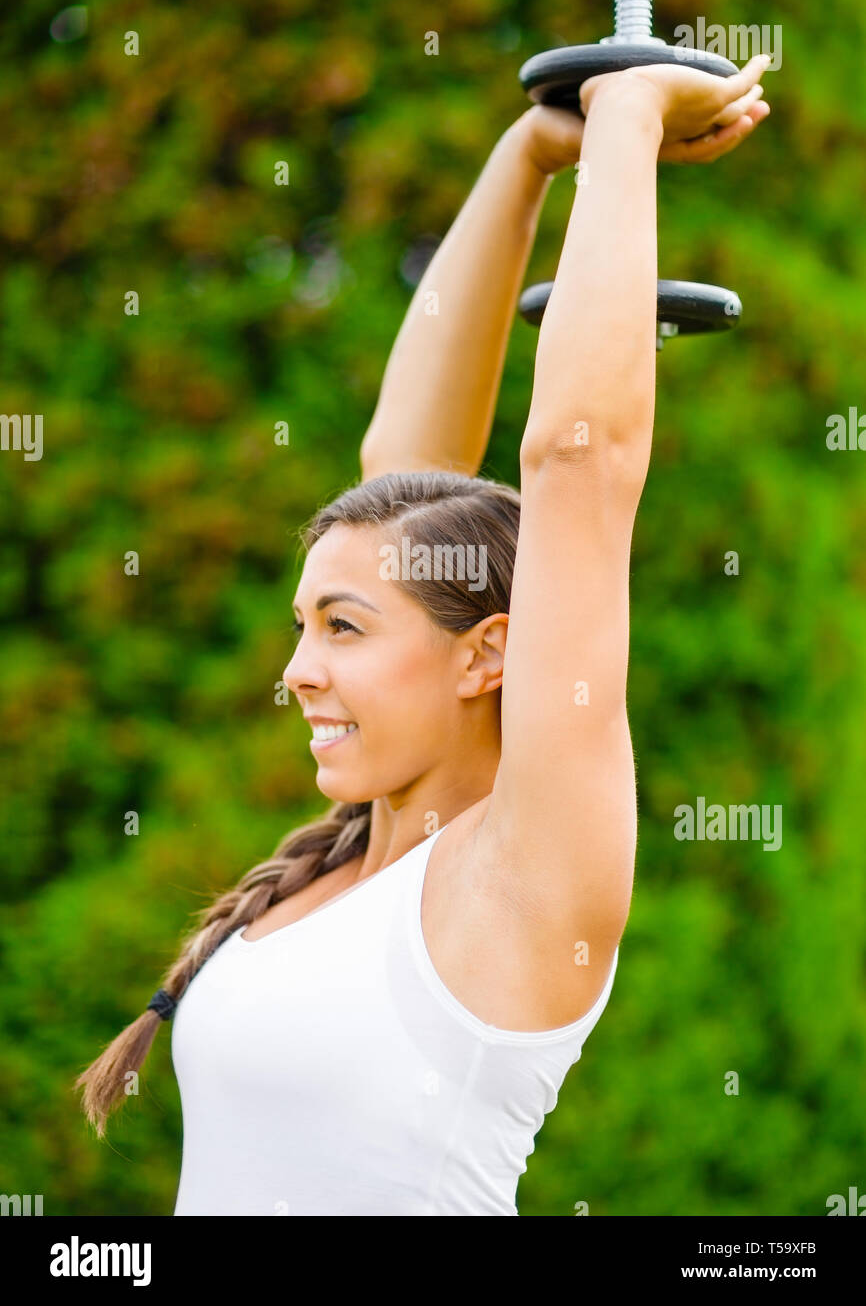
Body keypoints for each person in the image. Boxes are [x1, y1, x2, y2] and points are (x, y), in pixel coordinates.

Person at [74, 59, 771, 1215]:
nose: (297, 670)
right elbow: (404, 485)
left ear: (488, 653)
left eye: (342, 627)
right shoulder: (344, 867)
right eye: (302, 623)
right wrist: (528, 155)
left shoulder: (517, 875)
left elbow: (578, 463)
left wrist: (628, 115)